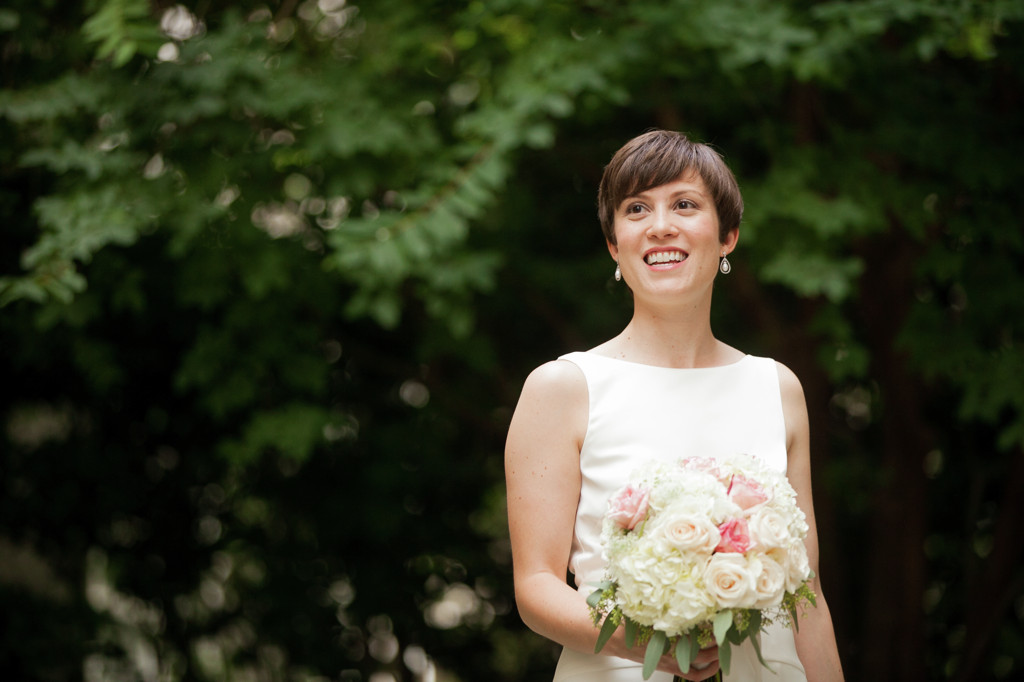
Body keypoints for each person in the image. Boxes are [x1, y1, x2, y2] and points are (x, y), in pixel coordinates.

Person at [504, 130, 844, 681]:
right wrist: (645, 642)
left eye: (684, 204)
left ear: (728, 236)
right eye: (636, 209)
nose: (660, 225)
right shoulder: (563, 387)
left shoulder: (777, 388)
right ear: (614, 245)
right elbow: (535, 585)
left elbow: (807, 595)